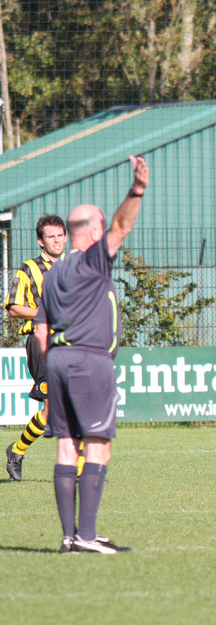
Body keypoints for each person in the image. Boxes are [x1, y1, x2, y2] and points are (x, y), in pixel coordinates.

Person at [35, 155, 149, 554]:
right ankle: (86, 536)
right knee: (98, 446)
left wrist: (54, 367)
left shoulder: (52, 275)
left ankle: (70, 537)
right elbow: (122, 225)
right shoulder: (94, 261)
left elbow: (41, 331)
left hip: (57, 361)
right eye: (103, 224)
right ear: (95, 229)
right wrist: (137, 190)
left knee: (67, 445)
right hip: (89, 361)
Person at [5, 215, 68, 481]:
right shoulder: (29, 268)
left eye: (60, 235)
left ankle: (82, 470)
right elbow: (13, 307)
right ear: (41, 241)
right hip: (42, 342)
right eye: (51, 237)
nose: (57, 240)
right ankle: (17, 451)